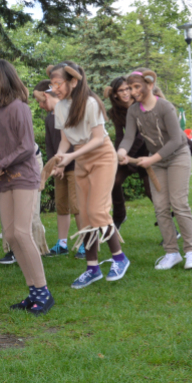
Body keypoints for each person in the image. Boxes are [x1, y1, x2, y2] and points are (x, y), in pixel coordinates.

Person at [0, 59, 53, 315]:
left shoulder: (19, 108)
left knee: (22, 232)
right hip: (3, 179)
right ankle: (33, 293)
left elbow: (26, 148)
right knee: (10, 236)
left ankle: (43, 293)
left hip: (24, 176)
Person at [47, 62, 130, 289]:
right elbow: (65, 140)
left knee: (97, 211)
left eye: (58, 83)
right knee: (83, 216)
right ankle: (92, 268)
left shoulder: (91, 103)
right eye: (52, 84)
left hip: (102, 156)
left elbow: (97, 139)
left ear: (73, 82)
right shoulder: (61, 107)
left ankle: (120, 258)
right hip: (81, 159)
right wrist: (59, 159)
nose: (54, 88)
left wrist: (71, 157)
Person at [117, 70, 192, 270]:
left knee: (179, 203)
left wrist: (151, 159)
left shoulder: (165, 107)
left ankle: (191, 251)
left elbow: (176, 139)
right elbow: (128, 137)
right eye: (130, 88)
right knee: (161, 207)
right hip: (158, 161)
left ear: (149, 85)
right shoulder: (133, 111)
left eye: (136, 87)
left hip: (177, 156)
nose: (133, 92)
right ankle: (172, 253)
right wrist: (121, 151)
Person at [33, 80, 85, 259]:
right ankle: (62, 243)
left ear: (47, 95)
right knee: (62, 205)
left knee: (76, 205)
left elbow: (73, 141)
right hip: (59, 169)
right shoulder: (49, 118)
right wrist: (53, 166)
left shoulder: (69, 112)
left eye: (41, 101)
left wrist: (63, 164)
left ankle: (85, 243)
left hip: (74, 166)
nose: (40, 105)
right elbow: (49, 145)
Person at [104, 77, 152, 230]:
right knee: (114, 181)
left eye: (127, 89)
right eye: (121, 90)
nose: (125, 93)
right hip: (127, 154)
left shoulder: (141, 105)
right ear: (115, 94)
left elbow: (141, 135)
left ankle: (171, 229)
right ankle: (119, 215)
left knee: (150, 191)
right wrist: (119, 156)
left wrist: (128, 155)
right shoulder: (115, 111)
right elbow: (120, 136)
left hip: (145, 153)